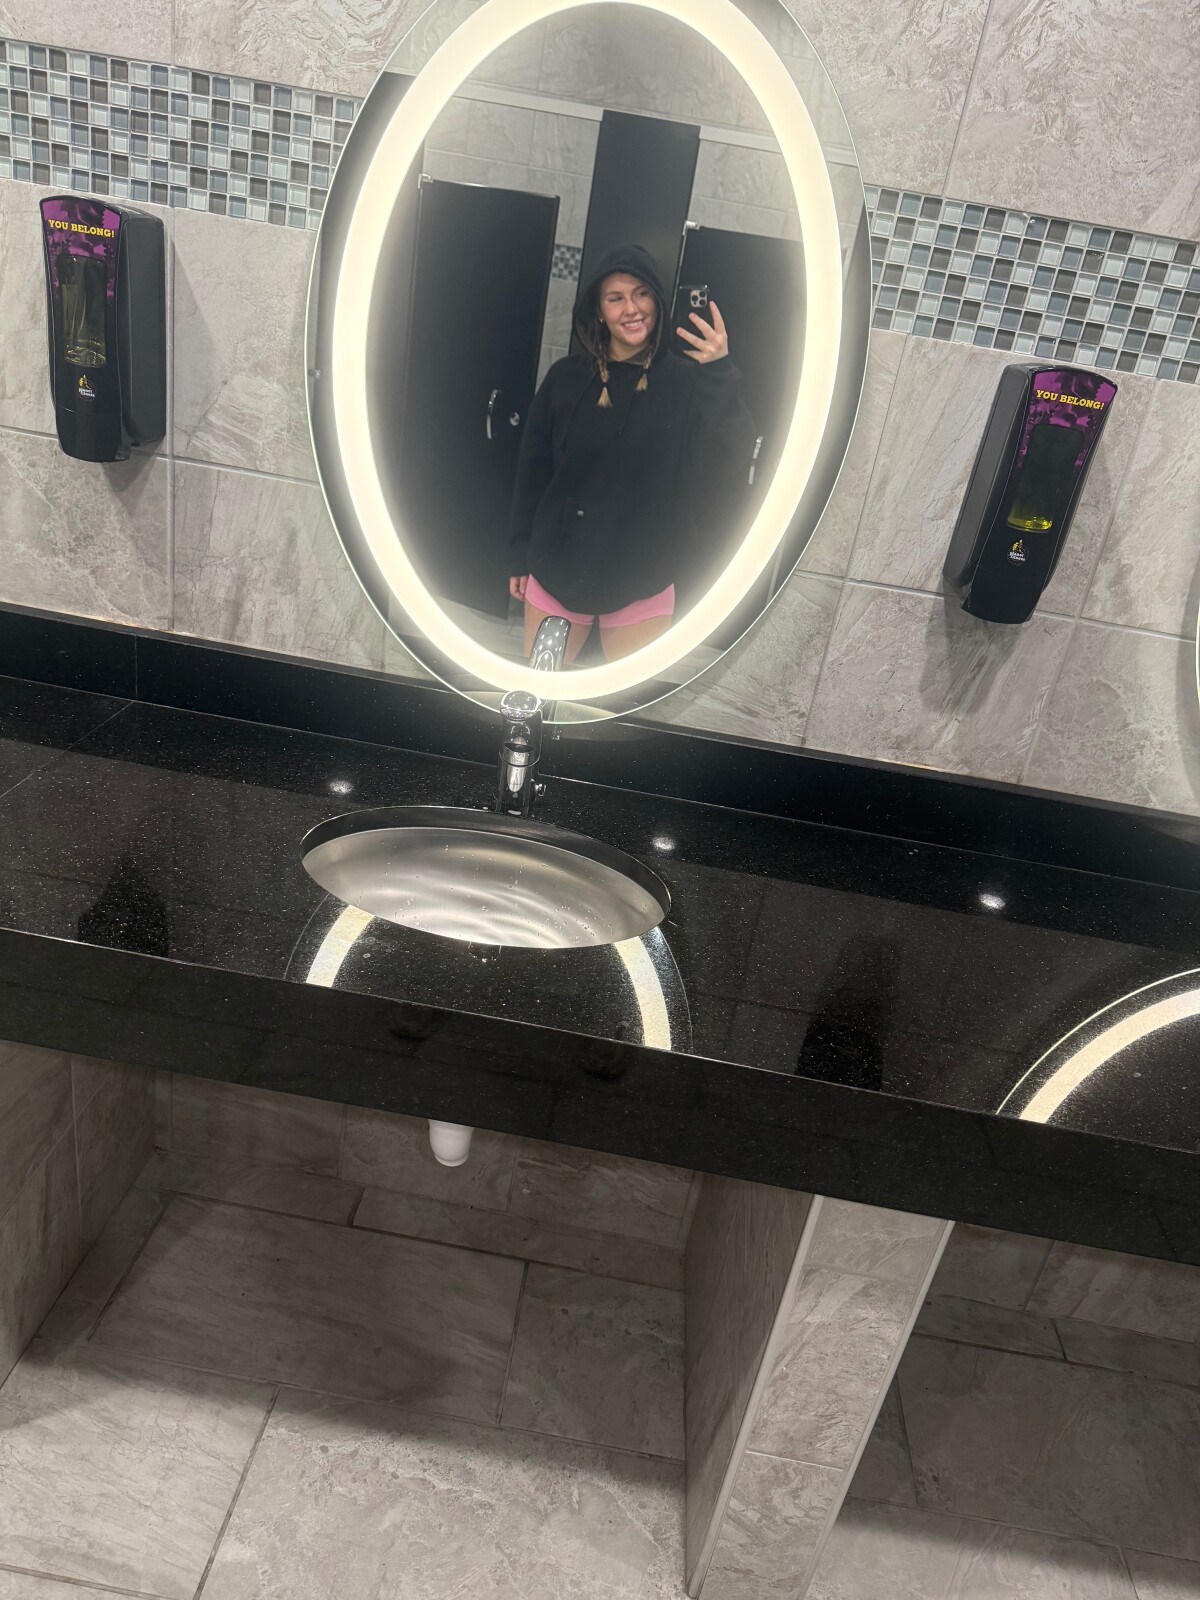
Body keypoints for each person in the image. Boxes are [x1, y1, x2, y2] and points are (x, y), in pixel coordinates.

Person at [508, 242, 757, 662]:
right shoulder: (565, 379)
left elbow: (729, 457)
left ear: (658, 301)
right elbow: (533, 471)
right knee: (543, 689)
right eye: (615, 298)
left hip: (644, 574)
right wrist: (519, 550)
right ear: (598, 309)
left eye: (641, 293)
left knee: (625, 697)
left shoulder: (687, 382)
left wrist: (719, 373)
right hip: (559, 567)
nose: (631, 308)